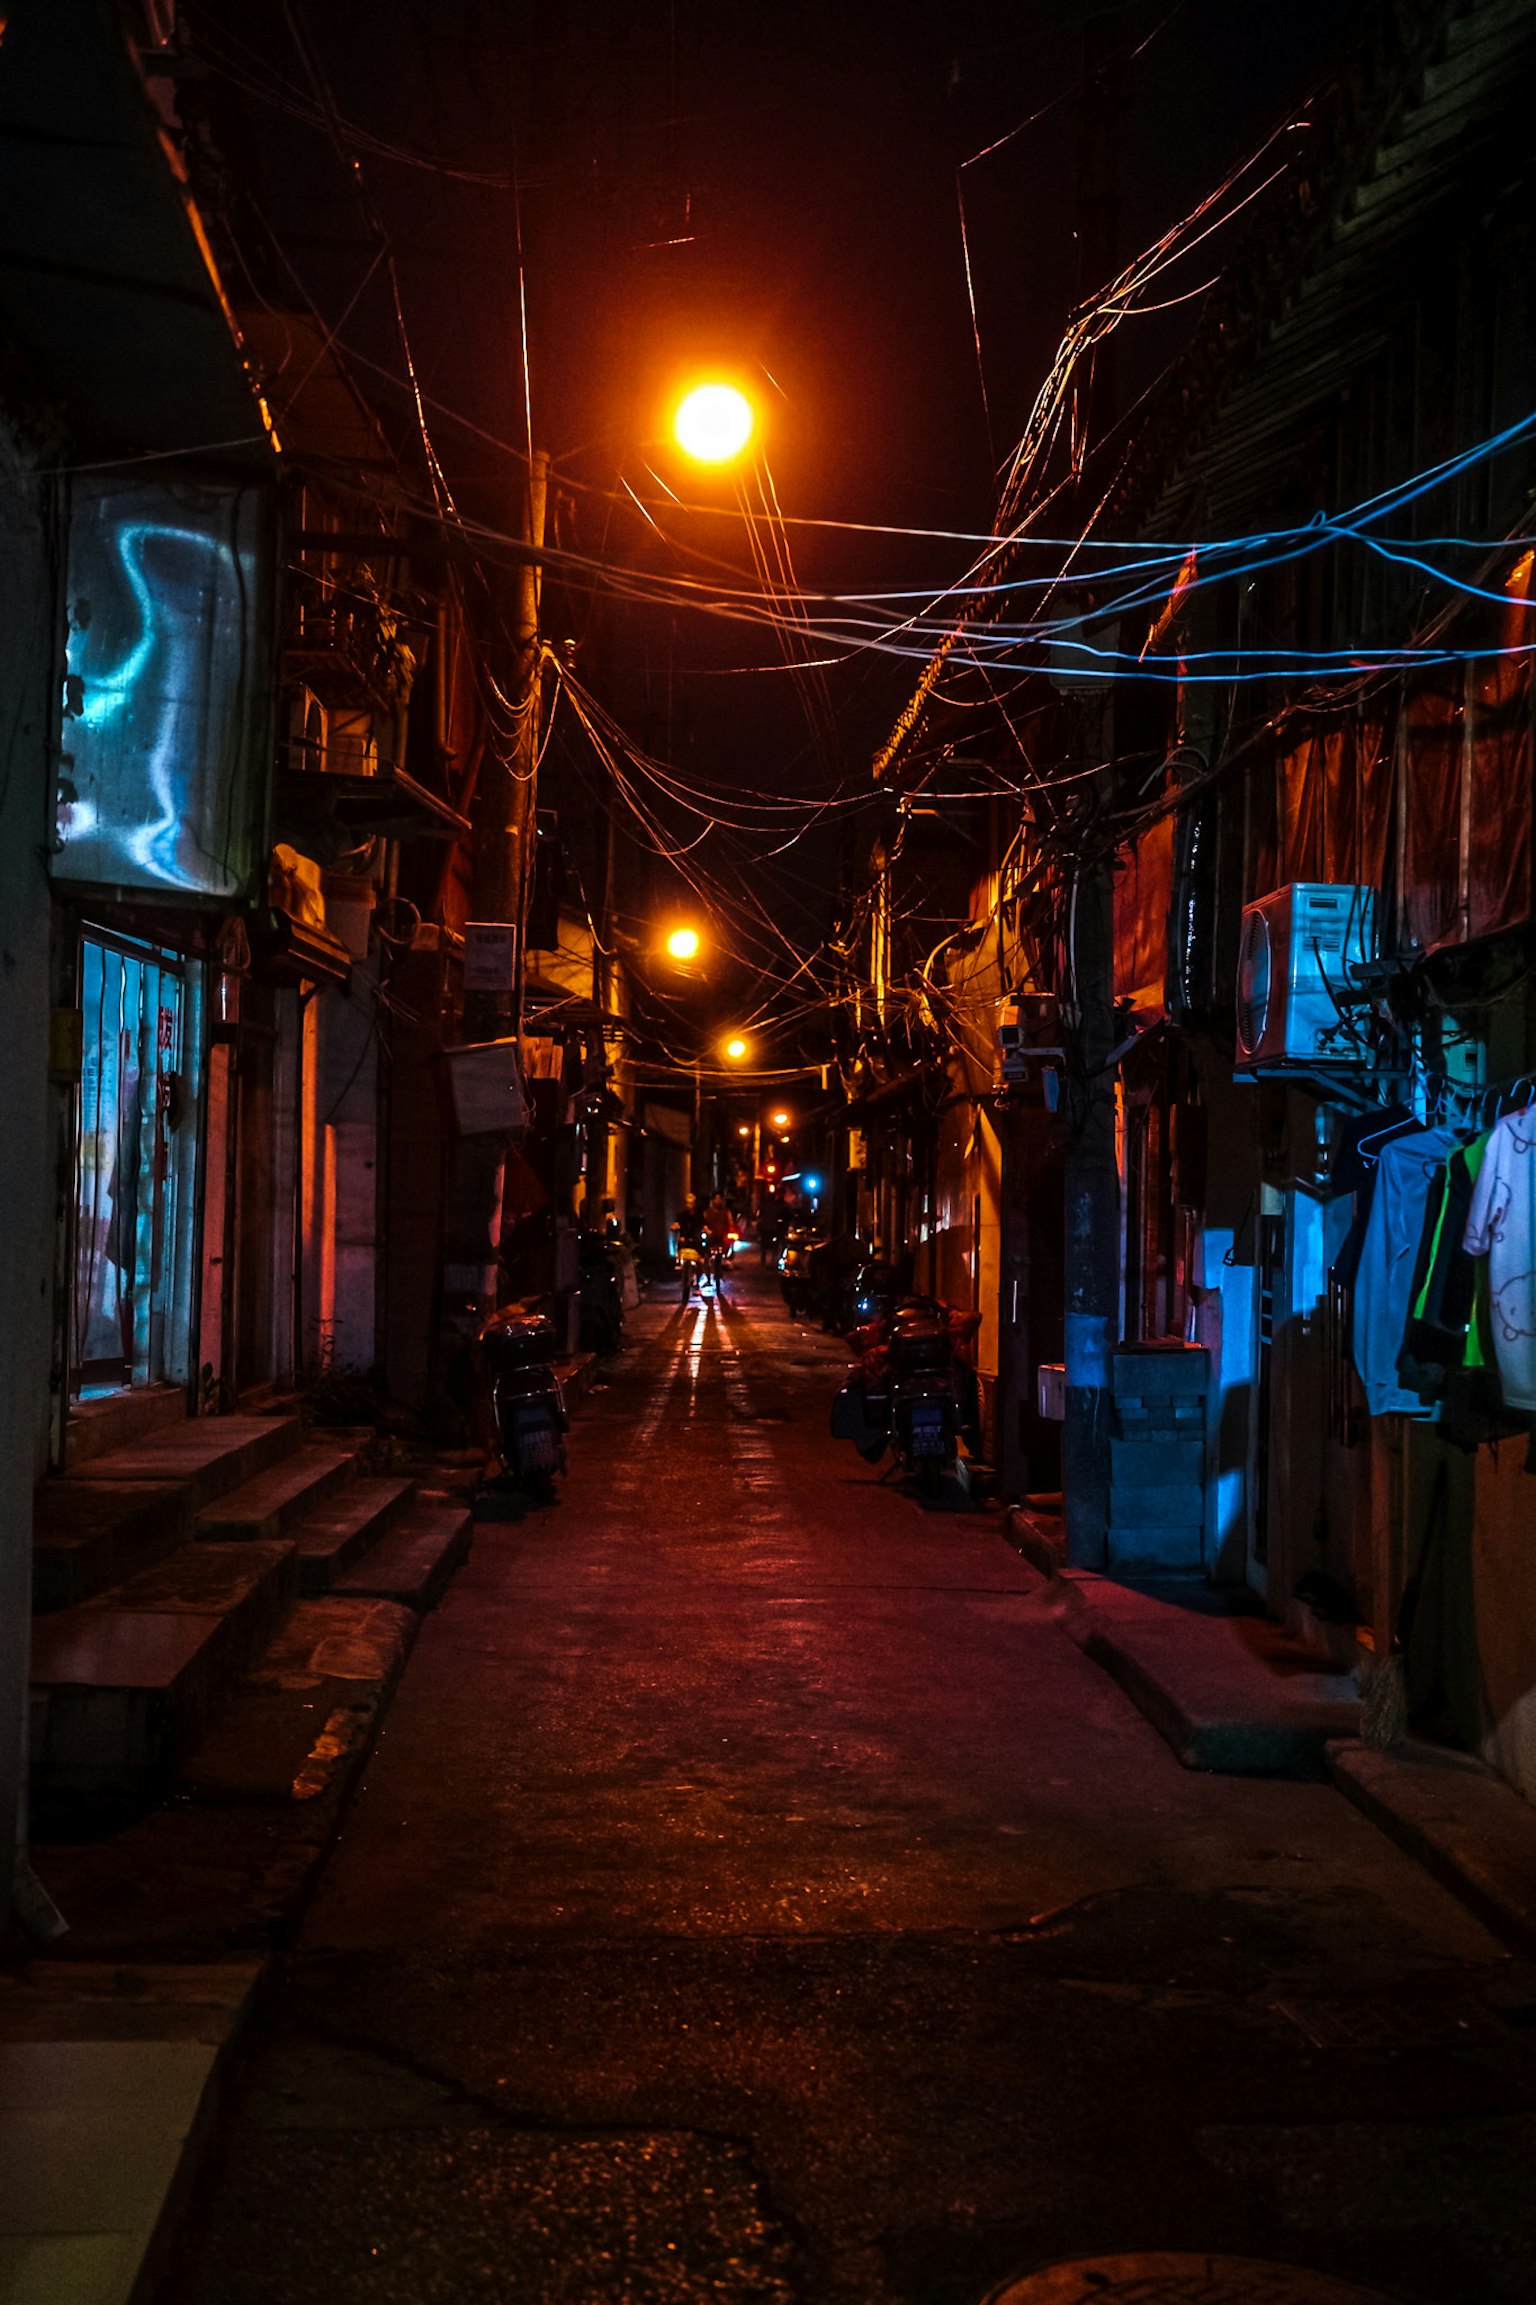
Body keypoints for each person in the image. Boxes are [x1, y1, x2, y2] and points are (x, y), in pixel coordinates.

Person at [673, 1194, 704, 1305]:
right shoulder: (682, 1215)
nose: (689, 1205)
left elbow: (703, 1225)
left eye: (691, 1202)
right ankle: (680, 1268)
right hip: (685, 1242)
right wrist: (675, 1227)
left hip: (696, 1242)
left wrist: (705, 1230)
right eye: (687, 1202)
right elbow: (676, 1224)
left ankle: (698, 1283)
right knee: (682, 1259)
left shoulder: (699, 1215)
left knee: (700, 1262)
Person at [703, 1192, 735, 1296]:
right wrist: (706, 1231)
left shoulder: (726, 1212)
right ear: (712, 1200)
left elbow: (730, 1223)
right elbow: (703, 1223)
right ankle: (708, 1278)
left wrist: (730, 1232)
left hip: (722, 1240)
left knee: (720, 1258)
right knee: (706, 1258)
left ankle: (719, 1274)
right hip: (710, 1240)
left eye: (720, 1199)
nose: (718, 1201)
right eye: (716, 1199)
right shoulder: (707, 1212)